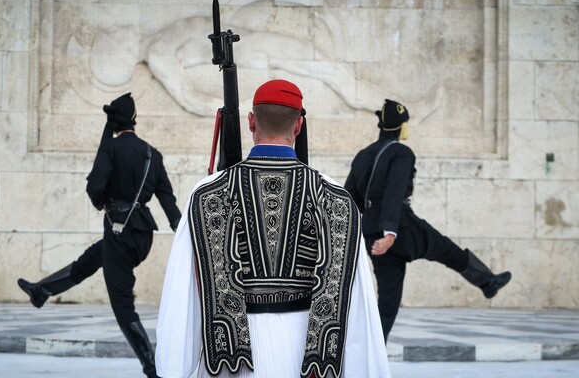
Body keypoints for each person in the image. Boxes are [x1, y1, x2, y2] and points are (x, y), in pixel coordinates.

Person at [155, 80, 391, 378]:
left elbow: (182, 290)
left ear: (251, 121)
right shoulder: (335, 198)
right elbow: (358, 303)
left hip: (232, 361)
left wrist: (174, 366)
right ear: (299, 125)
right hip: (311, 360)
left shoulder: (206, 194)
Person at [18, 93, 181, 378]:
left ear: (113, 122)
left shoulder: (111, 148)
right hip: (142, 235)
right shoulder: (152, 154)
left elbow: (95, 186)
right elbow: (168, 201)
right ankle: (41, 291)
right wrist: (184, 234)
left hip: (119, 231)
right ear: (133, 120)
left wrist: (102, 202)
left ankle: (153, 369)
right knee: (90, 260)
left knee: (122, 305)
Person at [344, 99, 512, 343]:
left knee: (388, 300)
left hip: (371, 234)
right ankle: (487, 282)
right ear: (399, 127)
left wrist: (369, 226)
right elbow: (394, 190)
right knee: (446, 249)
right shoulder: (401, 152)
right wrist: (389, 232)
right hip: (399, 226)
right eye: (405, 124)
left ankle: (373, 352)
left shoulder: (362, 155)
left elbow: (350, 197)